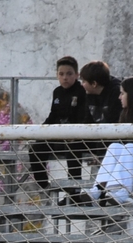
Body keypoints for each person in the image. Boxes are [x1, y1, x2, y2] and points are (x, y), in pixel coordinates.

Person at [61, 77, 133, 208]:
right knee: (114, 146)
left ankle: (122, 191)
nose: (119, 97)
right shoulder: (124, 114)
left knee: (130, 147)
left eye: (122, 93)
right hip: (129, 160)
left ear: (132, 95)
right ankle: (98, 188)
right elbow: (119, 140)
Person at [28, 56, 87, 194]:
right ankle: (43, 185)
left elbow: (83, 116)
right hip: (58, 136)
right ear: (57, 75)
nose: (65, 77)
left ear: (77, 75)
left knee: (72, 148)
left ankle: (74, 190)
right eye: (61, 74)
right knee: (36, 148)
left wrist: (74, 133)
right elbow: (53, 115)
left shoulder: (82, 91)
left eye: (69, 74)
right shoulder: (57, 92)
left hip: (76, 137)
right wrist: (41, 131)